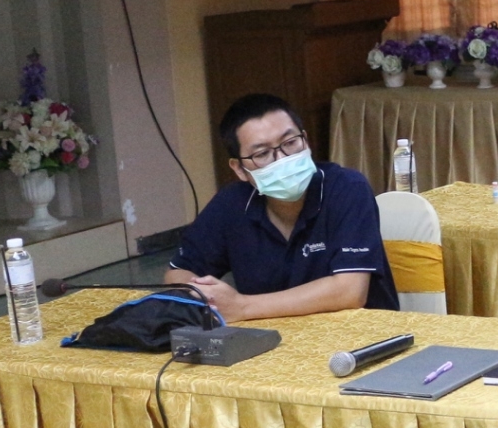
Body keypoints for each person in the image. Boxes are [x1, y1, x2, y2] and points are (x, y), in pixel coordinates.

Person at [167, 93, 398, 317]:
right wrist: (207, 295)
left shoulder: (347, 188)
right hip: (271, 338)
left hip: (361, 335)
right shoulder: (232, 204)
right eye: (262, 153)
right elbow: (178, 273)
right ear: (239, 169)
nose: (282, 159)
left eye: (290, 143)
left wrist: (242, 306)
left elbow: (350, 292)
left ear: (305, 140)